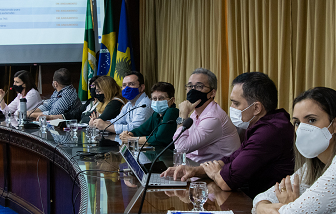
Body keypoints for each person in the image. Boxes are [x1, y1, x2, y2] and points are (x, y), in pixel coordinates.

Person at [161, 72, 294, 198]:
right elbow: (231, 159)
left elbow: (227, 181)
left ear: (257, 108)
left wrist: (215, 173)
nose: (231, 107)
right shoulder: (261, 126)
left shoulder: (269, 132)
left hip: (264, 205)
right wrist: (194, 170)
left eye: (236, 103)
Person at [161, 68, 240, 164]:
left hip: (215, 174)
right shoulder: (196, 113)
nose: (192, 90)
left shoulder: (213, 117)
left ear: (212, 93)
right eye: (190, 86)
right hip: (194, 166)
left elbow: (180, 149)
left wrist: (182, 115)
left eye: (199, 86)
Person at [119, 82, 179, 147]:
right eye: (154, 99)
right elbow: (141, 130)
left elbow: (158, 139)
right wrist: (128, 134)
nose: (157, 101)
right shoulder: (156, 114)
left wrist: (131, 139)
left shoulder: (172, 112)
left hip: (169, 155)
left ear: (172, 100)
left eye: (161, 98)